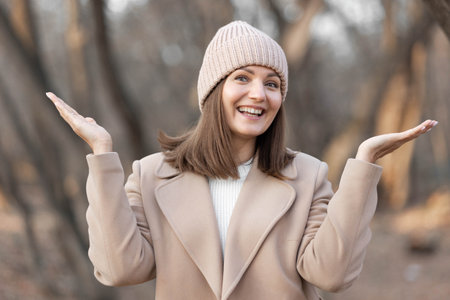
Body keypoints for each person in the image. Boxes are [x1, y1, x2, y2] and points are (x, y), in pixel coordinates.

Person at [46, 20, 437, 300]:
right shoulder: (151, 175)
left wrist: (364, 164)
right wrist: (102, 154)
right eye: (242, 78)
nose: (259, 94)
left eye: (272, 83)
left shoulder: (307, 175)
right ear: (213, 91)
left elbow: (331, 276)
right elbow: (120, 270)